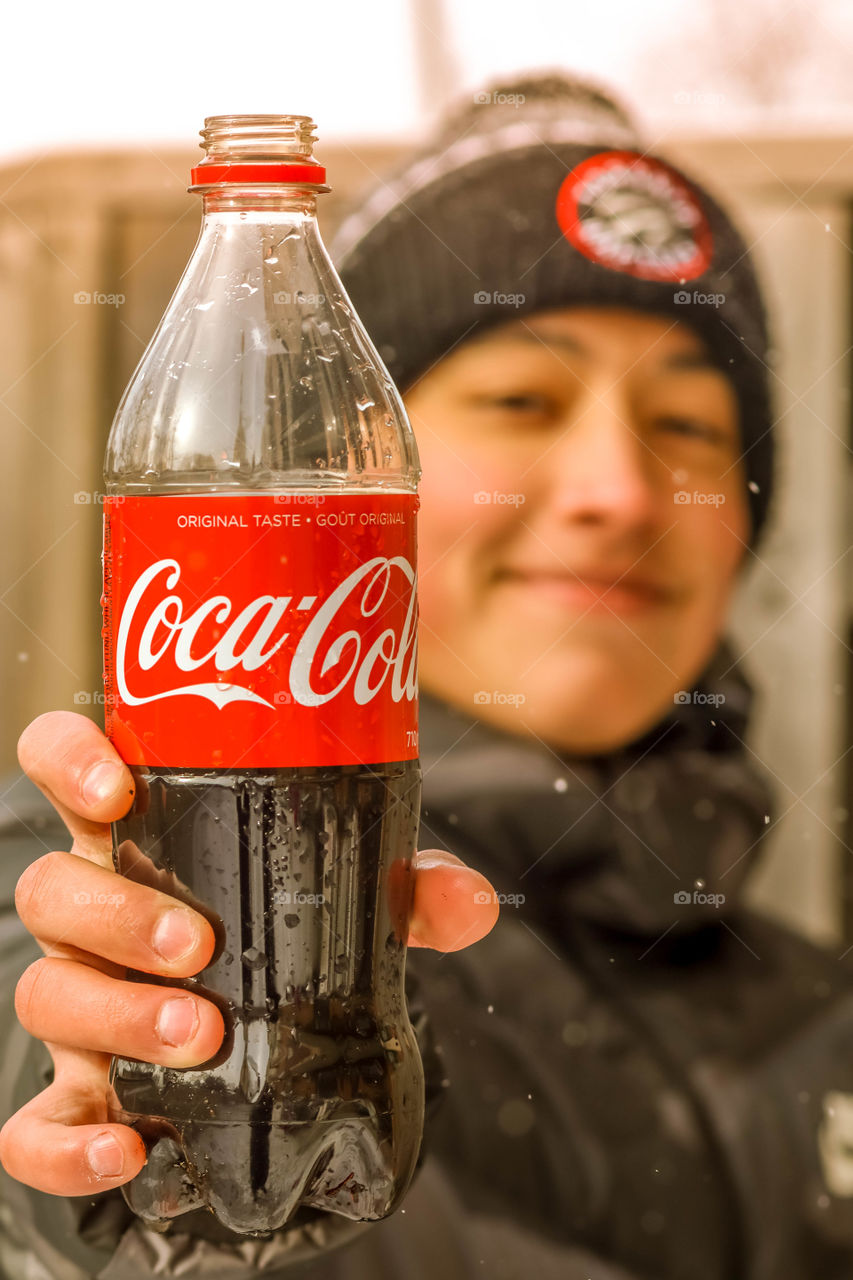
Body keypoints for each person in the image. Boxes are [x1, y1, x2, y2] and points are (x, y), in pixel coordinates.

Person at [1, 72, 853, 1280]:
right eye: (521, 399)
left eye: (687, 424)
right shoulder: (94, 883)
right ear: (353, 483)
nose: (616, 490)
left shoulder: (817, 1002)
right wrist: (124, 1186)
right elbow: (28, 1042)